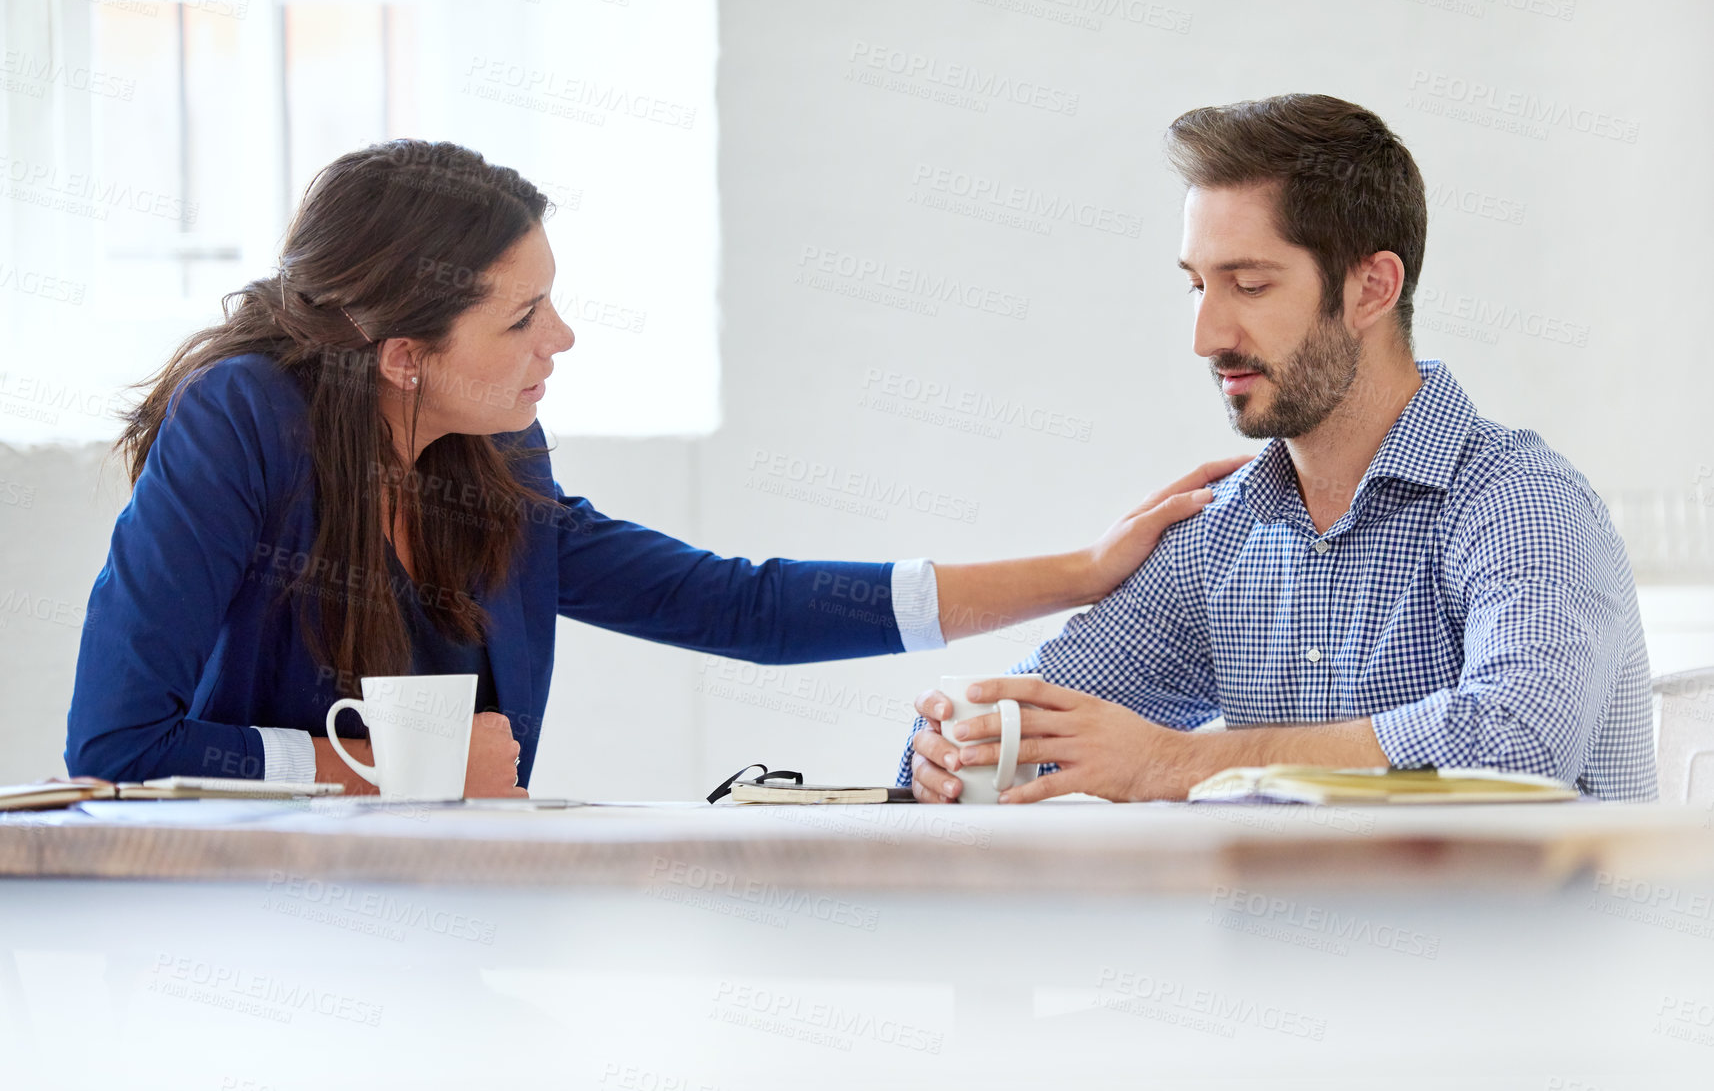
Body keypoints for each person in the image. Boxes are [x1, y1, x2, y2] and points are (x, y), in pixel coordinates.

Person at [63, 139, 1244, 797]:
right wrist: (354, 764)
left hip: (450, 917)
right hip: (245, 936)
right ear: (406, 356)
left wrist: (1081, 572)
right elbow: (113, 742)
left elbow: (734, 600)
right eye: (524, 316)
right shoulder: (242, 422)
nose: (560, 339)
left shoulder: (490, 450)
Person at [900, 94, 1656, 804]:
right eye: (1197, 285)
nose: (1206, 336)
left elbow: (1518, 742)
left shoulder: (1521, 502)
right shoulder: (1218, 537)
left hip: (1529, 945)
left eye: (1250, 285)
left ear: (1371, 289)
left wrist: (1172, 762)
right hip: (1278, 945)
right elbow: (1027, 721)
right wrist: (948, 749)